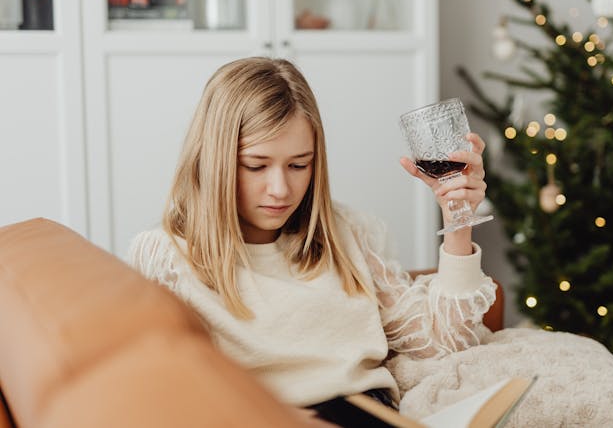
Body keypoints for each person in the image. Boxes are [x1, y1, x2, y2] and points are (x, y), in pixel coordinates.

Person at [126, 56, 496, 420]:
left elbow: (444, 343)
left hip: (368, 412)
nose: (280, 189)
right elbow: (164, 389)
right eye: (256, 166)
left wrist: (457, 219)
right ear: (215, 159)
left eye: (299, 165)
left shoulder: (348, 233)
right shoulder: (168, 255)